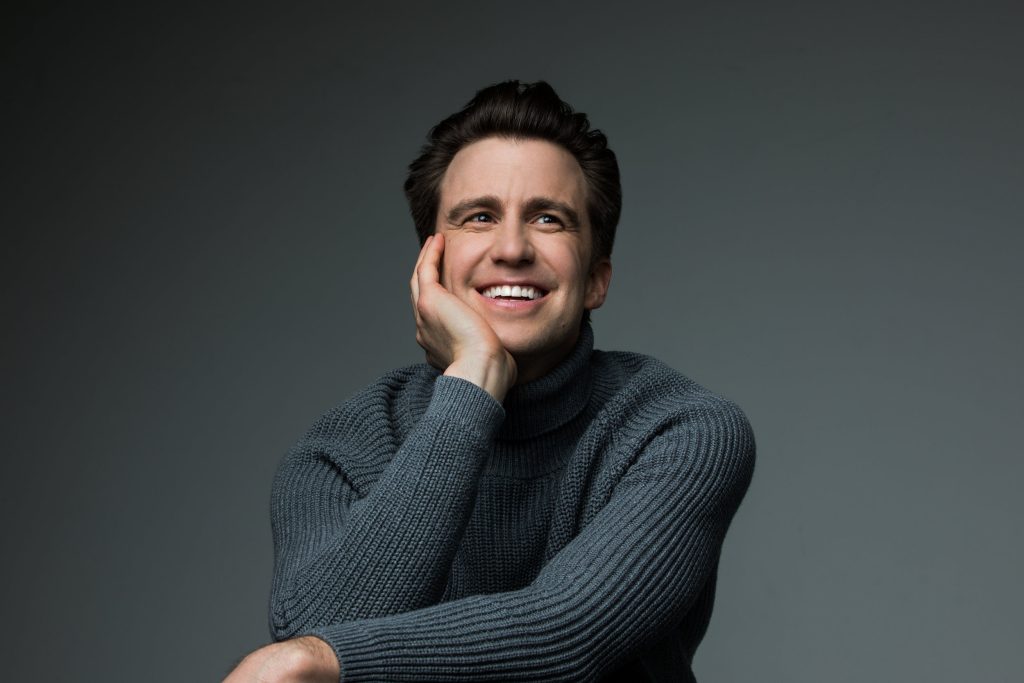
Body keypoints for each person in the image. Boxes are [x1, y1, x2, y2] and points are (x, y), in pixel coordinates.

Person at [225, 80, 755, 683]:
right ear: (432, 265)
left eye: (548, 219)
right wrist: (473, 386)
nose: (511, 248)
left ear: (597, 280)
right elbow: (312, 639)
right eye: (479, 217)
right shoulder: (339, 452)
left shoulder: (679, 429)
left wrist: (323, 659)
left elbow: (567, 634)